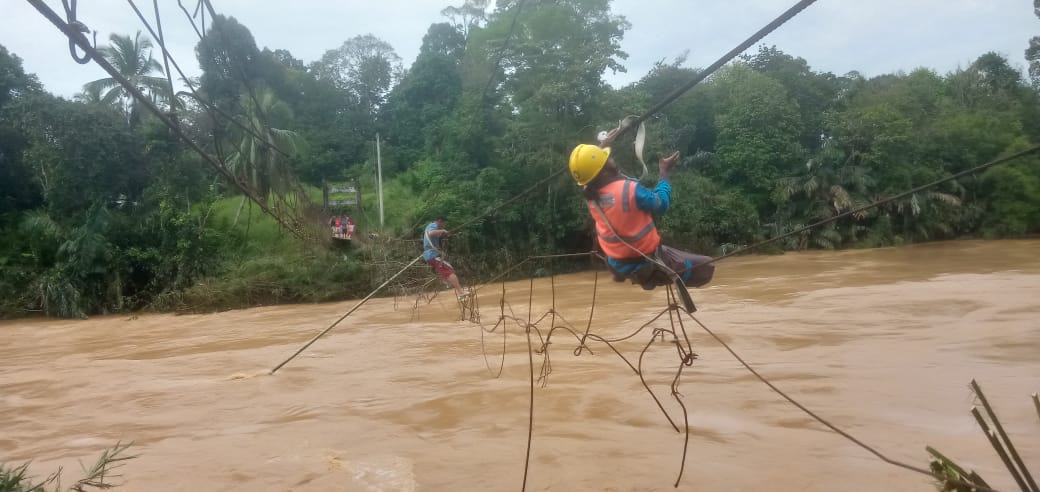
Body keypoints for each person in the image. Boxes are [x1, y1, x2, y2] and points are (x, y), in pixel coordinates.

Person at [568, 136, 715, 292]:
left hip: (617, 263)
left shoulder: (589, 195)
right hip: (645, 260)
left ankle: (644, 274)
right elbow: (662, 204)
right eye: (607, 159)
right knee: (707, 266)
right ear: (604, 170)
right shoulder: (630, 190)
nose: (611, 158)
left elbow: (592, 173)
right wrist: (664, 173)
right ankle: (654, 275)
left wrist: (602, 145)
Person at [423, 215, 470, 301]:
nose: (443, 226)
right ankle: (461, 293)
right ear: (440, 221)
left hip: (430, 256)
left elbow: (436, 236)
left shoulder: (432, 227)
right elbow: (431, 233)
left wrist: (443, 234)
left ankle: (455, 287)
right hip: (432, 255)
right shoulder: (433, 225)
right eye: (443, 224)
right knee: (449, 271)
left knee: (447, 271)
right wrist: (442, 230)